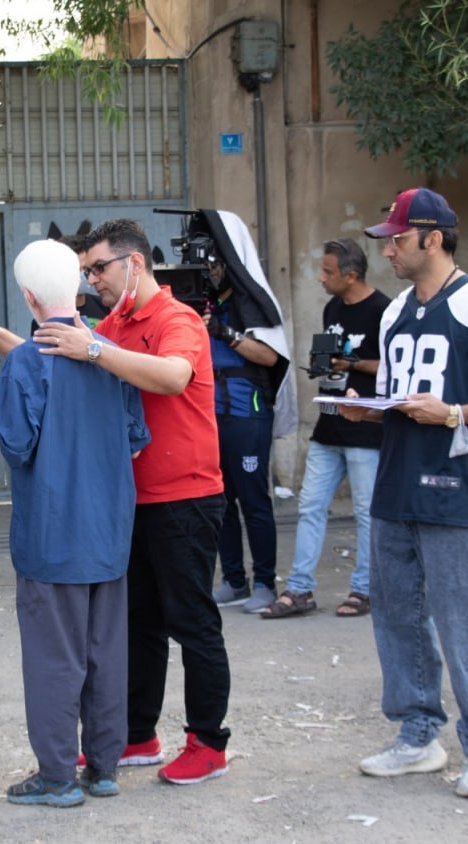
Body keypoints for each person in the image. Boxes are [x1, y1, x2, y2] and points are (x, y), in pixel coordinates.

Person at [0, 218, 234, 786]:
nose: (91, 277)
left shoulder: (172, 323)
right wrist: (5, 338)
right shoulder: (113, 326)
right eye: (86, 270)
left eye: (99, 267)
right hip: (123, 510)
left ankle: (206, 741)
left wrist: (86, 350)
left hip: (180, 498)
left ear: (135, 263)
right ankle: (128, 742)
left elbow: (169, 377)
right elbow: (67, 361)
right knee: (131, 631)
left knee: (188, 622)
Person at [338, 187, 468, 799]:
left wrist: (451, 414)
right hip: (394, 486)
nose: (388, 249)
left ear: (432, 238)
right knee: (397, 618)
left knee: (466, 622)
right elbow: (400, 398)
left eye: (397, 238)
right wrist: (368, 412)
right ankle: (418, 735)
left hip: (453, 491)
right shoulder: (395, 312)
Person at [0, 239, 150, 808]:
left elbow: (16, 445)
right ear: (78, 287)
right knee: (106, 652)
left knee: (54, 658)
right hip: (108, 534)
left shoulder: (24, 363)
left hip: (51, 537)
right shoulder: (110, 353)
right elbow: (135, 439)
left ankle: (58, 776)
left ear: (29, 296)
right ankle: (103, 769)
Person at [262, 239, 389, 619]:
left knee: (366, 512)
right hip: (328, 424)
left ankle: (364, 590)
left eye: (328, 272)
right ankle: (300, 589)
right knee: (310, 507)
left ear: (351, 276)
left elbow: (394, 367)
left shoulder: (384, 311)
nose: (320, 278)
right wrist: (327, 365)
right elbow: (331, 359)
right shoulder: (333, 307)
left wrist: (352, 365)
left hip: (366, 428)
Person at [196, 210, 295, 615]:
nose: (211, 269)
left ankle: (266, 583)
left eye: (216, 261)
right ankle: (234, 580)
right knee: (220, 502)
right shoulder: (204, 301)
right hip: (211, 416)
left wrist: (226, 333)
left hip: (247, 413)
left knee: (255, 502)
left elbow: (270, 355)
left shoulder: (249, 302)